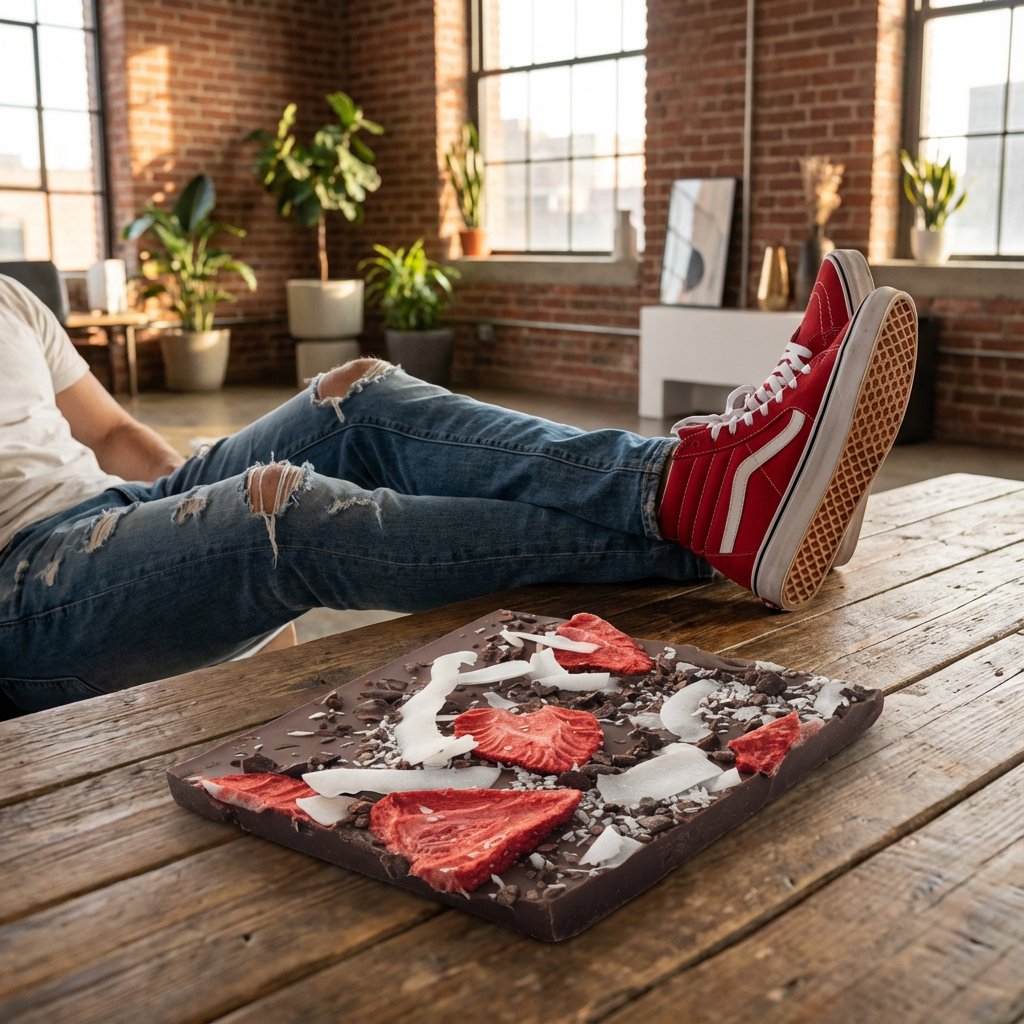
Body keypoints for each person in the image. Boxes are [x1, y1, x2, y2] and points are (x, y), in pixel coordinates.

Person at [0, 252, 916, 712]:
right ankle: (727, 512)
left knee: (356, 396)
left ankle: (683, 485)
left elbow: (114, 432)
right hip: (27, 594)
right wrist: (220, 530)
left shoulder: (10, 297)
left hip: (120, 516)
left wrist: (180, 526)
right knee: (278, 511)